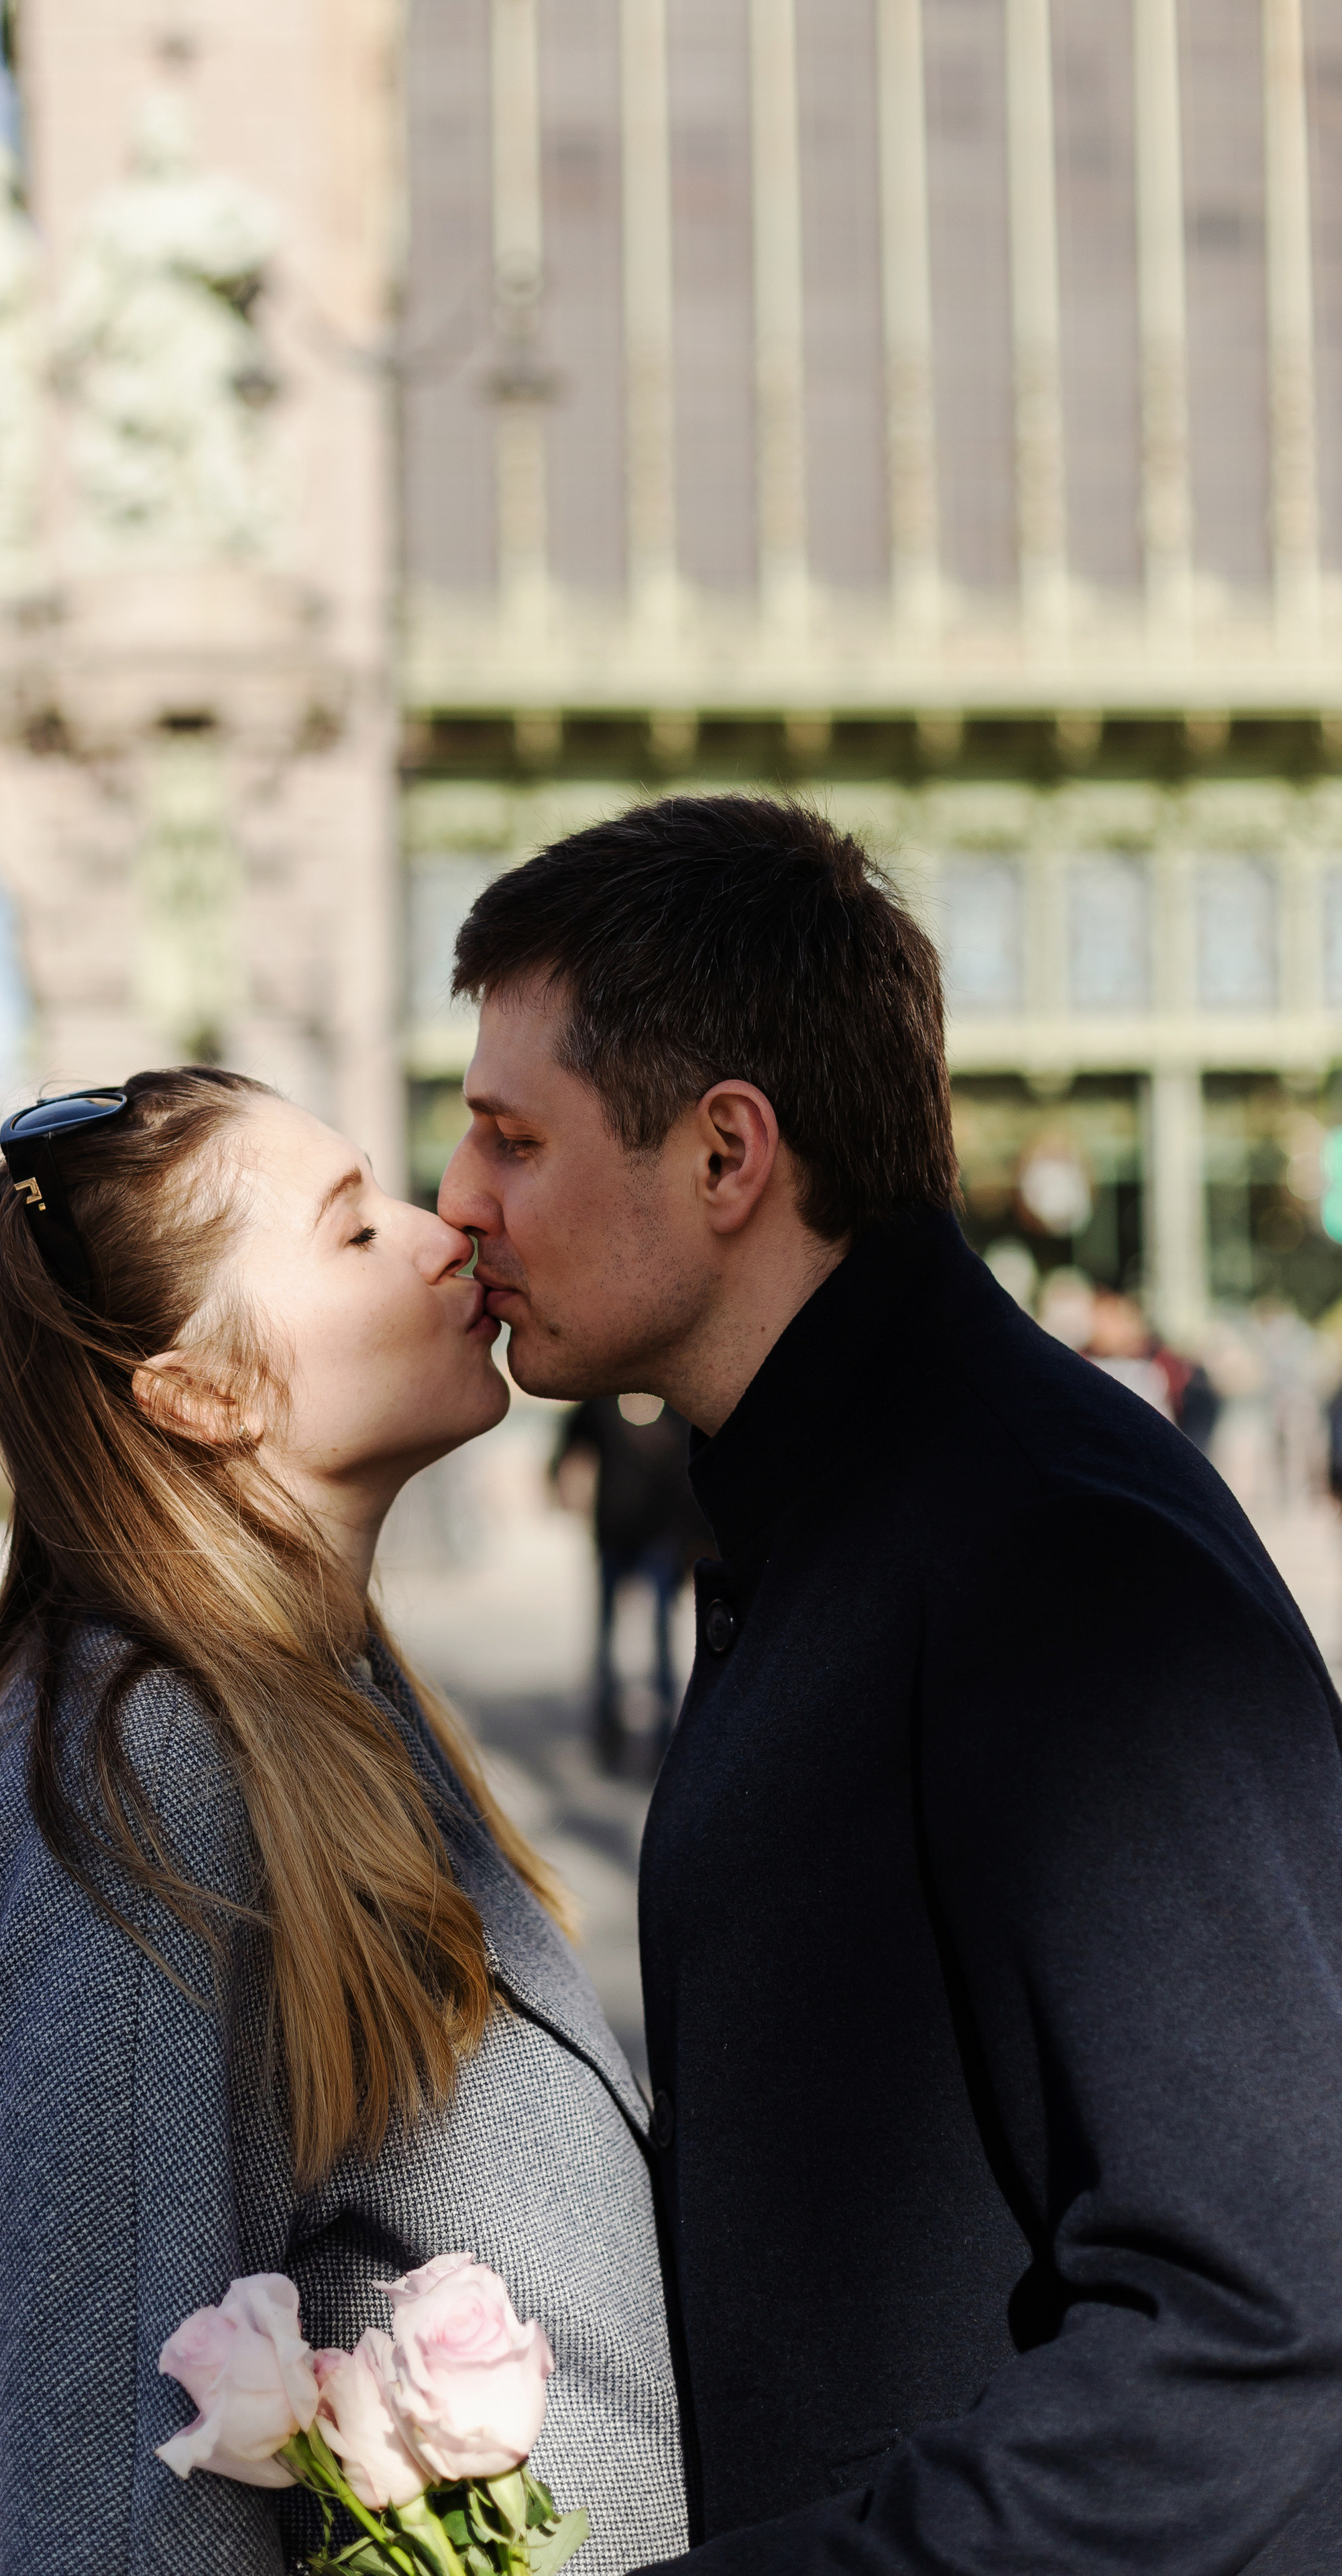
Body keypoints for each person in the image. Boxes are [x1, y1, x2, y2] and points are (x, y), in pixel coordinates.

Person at [435, 794, 1342, 2574]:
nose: (459, 1202)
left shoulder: (1048, 1550)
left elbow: (1258, 2317)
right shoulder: (829, 1504)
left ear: (726, 1156)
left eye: (510, 1138)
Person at [0, 1071, 687, 2575]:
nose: (440, 1229)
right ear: (204, 1394)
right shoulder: (148, 1774)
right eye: (352, 1231)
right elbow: (116, 2499)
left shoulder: (297, 1695)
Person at [551, 1395, 706, 1771]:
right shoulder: (601, 1402)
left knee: (663, 1642)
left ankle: (667, 1740)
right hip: (613, 1536)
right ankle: (608, 1732)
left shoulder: (676, 1404)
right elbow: (567, 1448)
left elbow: (690, 1477)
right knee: (607, 1640)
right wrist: (563, 1483)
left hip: (661, 1541)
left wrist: (695, 1542)